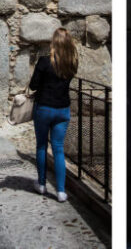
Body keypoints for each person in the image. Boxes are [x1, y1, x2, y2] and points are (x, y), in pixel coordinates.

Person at [29, 27, 79, 202]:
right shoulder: (72, 63)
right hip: (62, 110)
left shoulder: (44, 61)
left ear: (53, 42)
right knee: (58, 149)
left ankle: (42, 185)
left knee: (41, 146)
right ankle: (61, 191)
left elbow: (33, 85)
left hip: (44, 108)